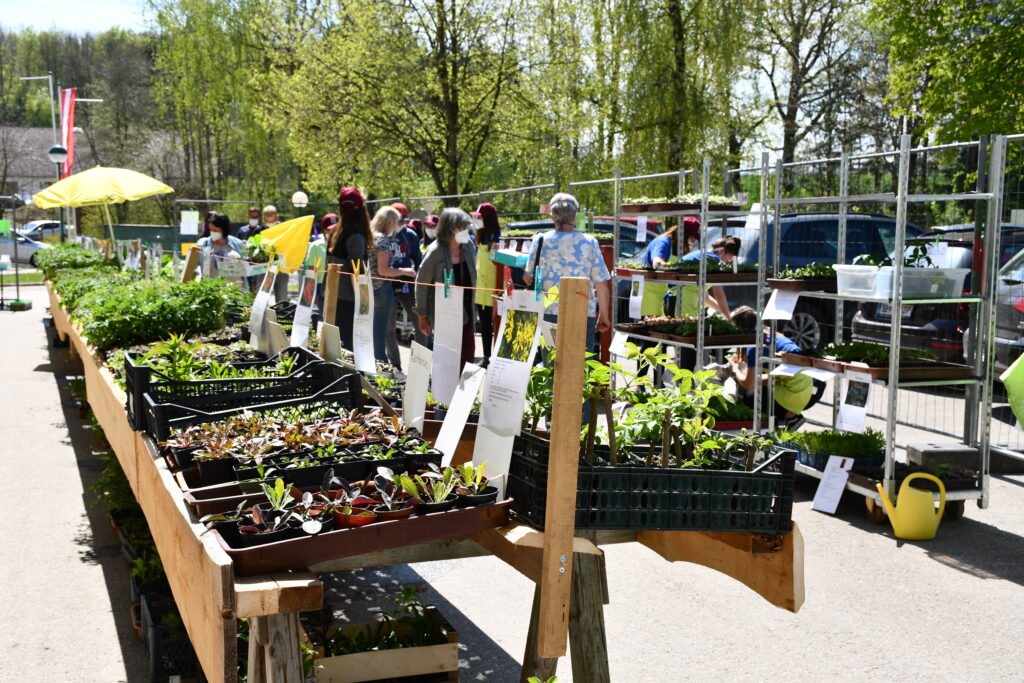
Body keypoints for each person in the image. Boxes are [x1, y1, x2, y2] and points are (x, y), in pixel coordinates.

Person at [523, 192, 611, 357]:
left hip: (549, 313)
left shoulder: (541, 240)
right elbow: (601, 284)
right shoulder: (589, 242)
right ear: (574, 215)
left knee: (551, 366)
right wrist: (604, 315)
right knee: (580, 366)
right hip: (583, 313)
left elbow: (529, 278)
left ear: (552, 216)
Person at [727, 305, 825, 429]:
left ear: (740, 329)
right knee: (759, 383)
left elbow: (749, 383)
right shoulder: (774, 335)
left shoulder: (754, 346)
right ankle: (788, 418)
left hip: (797, 393)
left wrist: (735, 370)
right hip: (810, 387)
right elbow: (772, 376)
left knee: (749, 394)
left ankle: (786, 417)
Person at [415, 208, 477, 370]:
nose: (465, 231)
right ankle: (445, 393)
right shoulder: (435, 252)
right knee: (448, 361)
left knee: (468, 356)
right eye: (460, 228)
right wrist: (422, 316)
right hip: (445, 314)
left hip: (467, 311)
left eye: (466, 227)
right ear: (448, 228)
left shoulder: (468, 246)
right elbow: (421, 284)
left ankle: (463, 394)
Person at [367, 206, 416, 366]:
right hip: (382, 288)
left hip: (371, 287)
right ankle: (381, 361)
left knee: (377, 327)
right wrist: (406, 271)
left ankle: (379, 360)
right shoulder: (382, 240)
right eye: (395, 221)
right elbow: (383, 270)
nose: (396, 225)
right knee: (381, 329)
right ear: (389, 222)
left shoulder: (371, 237)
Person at [327, 188, 372, 351]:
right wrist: (365, 303)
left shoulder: (335, 232)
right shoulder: (355, 236)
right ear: (361, 210)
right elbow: (357, 273)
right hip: (349, 299)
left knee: (336, 345)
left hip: (334, 295)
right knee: (348, 347)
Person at [387, 203, 425, 364]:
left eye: (404, 221)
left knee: (421, 323)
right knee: (388, 327)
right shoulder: (381, 235)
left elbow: (419, 260)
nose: (402, 224)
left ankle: (420, 363)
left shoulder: (411, 235)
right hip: (387, 284)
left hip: (408, 284)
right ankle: (395, 364)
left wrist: (420, 282)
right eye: (399, 221)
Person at [473, 202, 501, 363]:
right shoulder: (480, 237)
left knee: (496, 325)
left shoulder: (498, 237)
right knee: (484, 325)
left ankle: (497, 358)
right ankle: (486, 356)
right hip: (480, 291)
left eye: (479, 217)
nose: (477, 220)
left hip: (495, 290)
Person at [304, 213, 337, 317]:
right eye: (329, 229)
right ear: (324, 230)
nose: (332, 232)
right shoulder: (315, 246)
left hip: (338, 285)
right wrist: (311, 290)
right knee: (326, 316)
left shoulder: (343, 245)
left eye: (335, 229)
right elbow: (310, 268)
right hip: (320, 285)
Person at [196, 212, 245, 279]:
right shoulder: (202, 244)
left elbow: (246, 269)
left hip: (233, 287)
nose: (212, 233)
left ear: (224, 230)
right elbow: (193, 266)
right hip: (210, 287)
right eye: (211, 230)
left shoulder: (238, 244)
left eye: (215, 231)